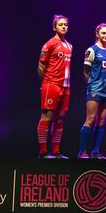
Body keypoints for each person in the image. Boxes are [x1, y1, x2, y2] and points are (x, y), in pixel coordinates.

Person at [37, 15, 73, 159]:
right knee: (47, 116)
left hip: (66, 86)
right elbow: (41, 65)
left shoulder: (70, 46)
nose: (64, 27)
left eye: (65, 24)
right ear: (54, 27)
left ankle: (56, 151)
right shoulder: (49, 44)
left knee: (60, 118)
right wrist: (45, 84)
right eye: (60, 24)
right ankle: (43, 151)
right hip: (51, 84)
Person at [77, 23, 106, 159]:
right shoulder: (92, 50)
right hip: (95, 90)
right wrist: (91, 86)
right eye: (103, 33)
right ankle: (82, 152)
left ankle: (95, 152)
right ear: (97, 34)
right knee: (91, 120)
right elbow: (86, 71)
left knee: (102, 122)